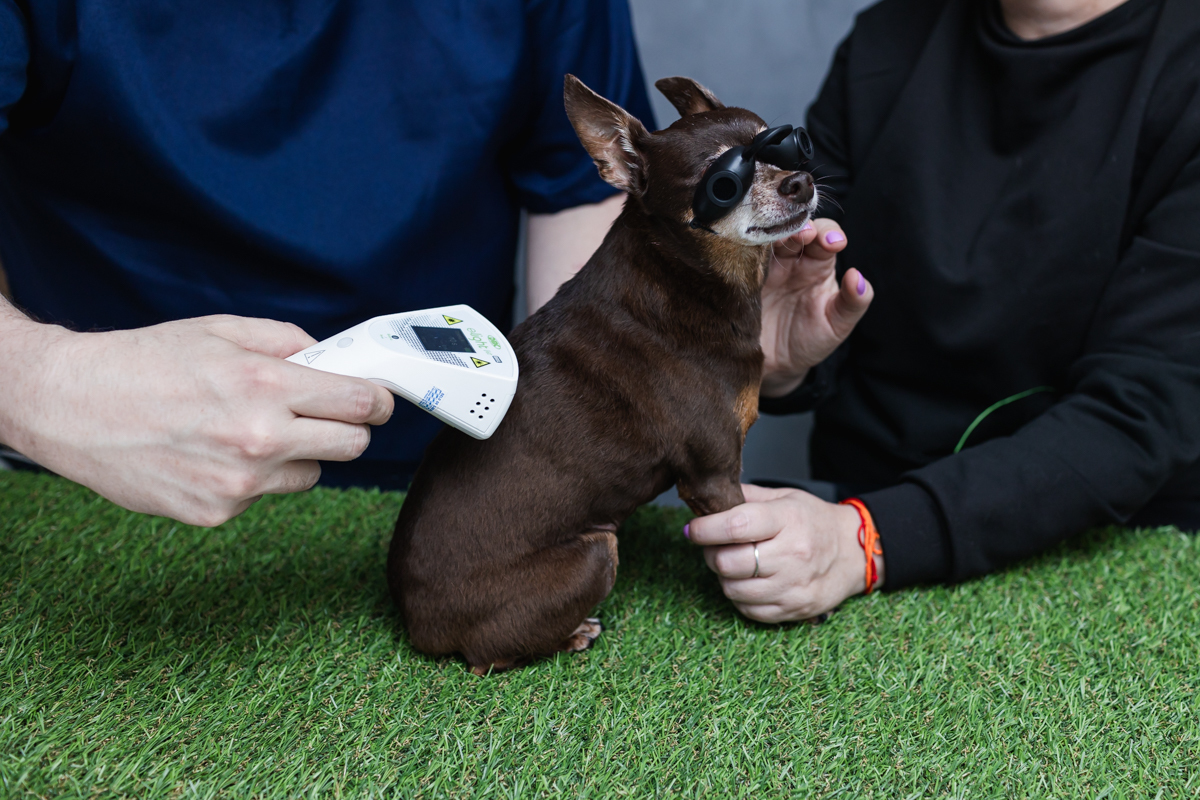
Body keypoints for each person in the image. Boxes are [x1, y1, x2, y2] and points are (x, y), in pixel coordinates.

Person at [0, 0, 655, 526]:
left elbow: (584, 238)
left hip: (439, 481)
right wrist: (54, 386)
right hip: (80, 475)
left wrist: (720, 339)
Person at [687, 0, 1200, 622]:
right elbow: (814, 293)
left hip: (1112, 542)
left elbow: (1141, 409)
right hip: (855, 506)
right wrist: (773, 362)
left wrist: (867, 540)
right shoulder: (889, 37)